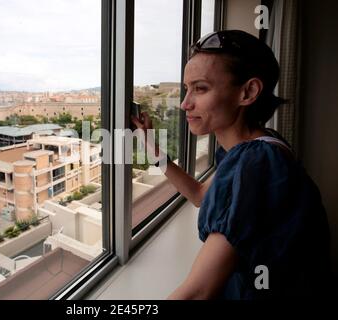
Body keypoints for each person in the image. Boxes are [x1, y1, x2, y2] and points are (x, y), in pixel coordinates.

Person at [131, 30, 331, 299]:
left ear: (248, 92)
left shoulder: (258, 163)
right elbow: (202, 196)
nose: (184, 104)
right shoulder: (261, 145)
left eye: (200, 88)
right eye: (186, 88)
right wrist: (152, 147)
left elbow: (198, 292)